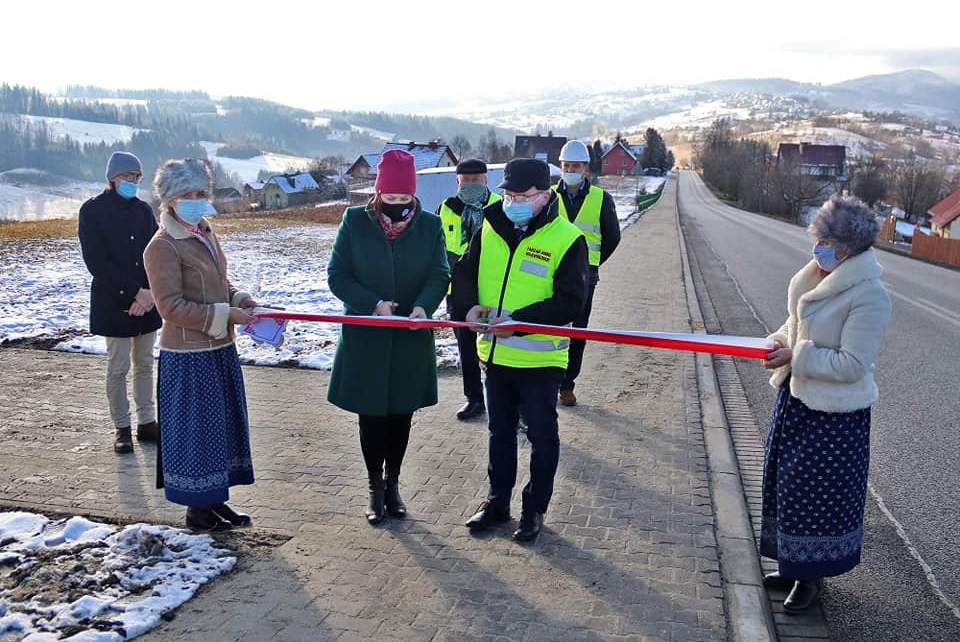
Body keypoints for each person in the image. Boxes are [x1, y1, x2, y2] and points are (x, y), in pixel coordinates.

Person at [759, 195, 891, 612]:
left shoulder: (869, 295)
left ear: (848, 247)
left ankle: (811, 578)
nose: (818, 249)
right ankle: (789, 564)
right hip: (796, 402)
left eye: (827, 242)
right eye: (817, 240)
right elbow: (793, 325)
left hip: (834, 415)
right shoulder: (815, 275)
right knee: (785, 487)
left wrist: (795, 355)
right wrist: (779, 341)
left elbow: (852, 364)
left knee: (816, 498)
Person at [453, 158, 588, 542]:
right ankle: (497, 503)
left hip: (541, 359)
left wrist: (520, 320)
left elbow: (571, 302)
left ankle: (534, 509)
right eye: (508, 194)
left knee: (542, 437)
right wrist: (466, 307)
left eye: (523, 196)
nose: (513, 201)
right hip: (495, 356)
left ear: (546, 196)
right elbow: (465, 271)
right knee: (499, 433)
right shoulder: (490, 226)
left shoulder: (567, 239)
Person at [327, 149, 450, 525]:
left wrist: (424, 308)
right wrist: (373, 303)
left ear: (414, 195)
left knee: (401, 416)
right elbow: (338, 275)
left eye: (404, 199)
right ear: (378, 193)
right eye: (390, 198)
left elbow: (439, 273)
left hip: (411, 338)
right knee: (371, 418)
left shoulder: (430, 226)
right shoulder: (353, 222)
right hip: (368, 338)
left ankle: (393, 484)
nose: (397, 206)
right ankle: (374, 487)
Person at [143, 159, 258, 532]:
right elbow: (170, 307)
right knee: (197, 434)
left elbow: (217, 283)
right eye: (185, 195)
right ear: (169, 200)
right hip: (188, 355)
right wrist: (225, 315)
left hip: (219, 349)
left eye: (199, 193)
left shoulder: (205, 231)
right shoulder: (161, 247)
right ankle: (196, 510)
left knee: (219, 429)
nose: (194, 200)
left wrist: (239, 298)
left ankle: (214, 500)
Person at [78, 151, 163, 454]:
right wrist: (133, 293)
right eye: (128, 176)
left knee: (144, 365)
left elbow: (158, 255)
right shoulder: (92, 211)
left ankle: (147, 422)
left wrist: (150, 293)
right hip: (114, 302)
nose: (133, 182)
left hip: (147, 302)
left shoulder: (143, 211)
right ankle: (122, 427)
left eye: (138, 177)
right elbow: (97, 262)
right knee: (118, 367)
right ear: (113, 178)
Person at [553, 140, 621, 407]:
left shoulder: (601, 199)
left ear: (586, 169)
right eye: (566, 166)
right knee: (549, 328)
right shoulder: (548, 196)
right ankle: (549, 378)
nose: (570, 170)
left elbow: (612, 237)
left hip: (584, 276)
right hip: (550, 272)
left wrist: (591, 264)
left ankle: (567, 384)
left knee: (577, 332)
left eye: (576, 166)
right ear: (561, 167)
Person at [438, 158, 501, 421]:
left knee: (497, 345)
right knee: (466, 348)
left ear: (486, 180)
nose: (472, 184)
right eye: (466, 180)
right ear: (457, 181)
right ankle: (474, 399)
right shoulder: (446, 208)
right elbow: (437, 246)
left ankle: (504, 401)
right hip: (459, 291)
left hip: (492, 289)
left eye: (477, 180)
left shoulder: (502, 204)